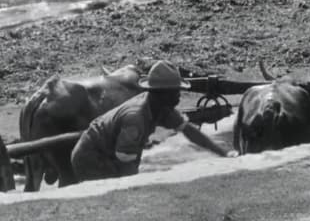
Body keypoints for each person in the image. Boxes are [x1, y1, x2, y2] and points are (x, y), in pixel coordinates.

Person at [71, 60, 227, 181]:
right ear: (161, 93)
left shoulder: (161, 107)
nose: (179, 96)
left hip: (111, 152)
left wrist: (222, 153)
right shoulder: (135, 118)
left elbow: (189, 130)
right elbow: (125, 161)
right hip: (91, 157)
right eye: (175, 92)